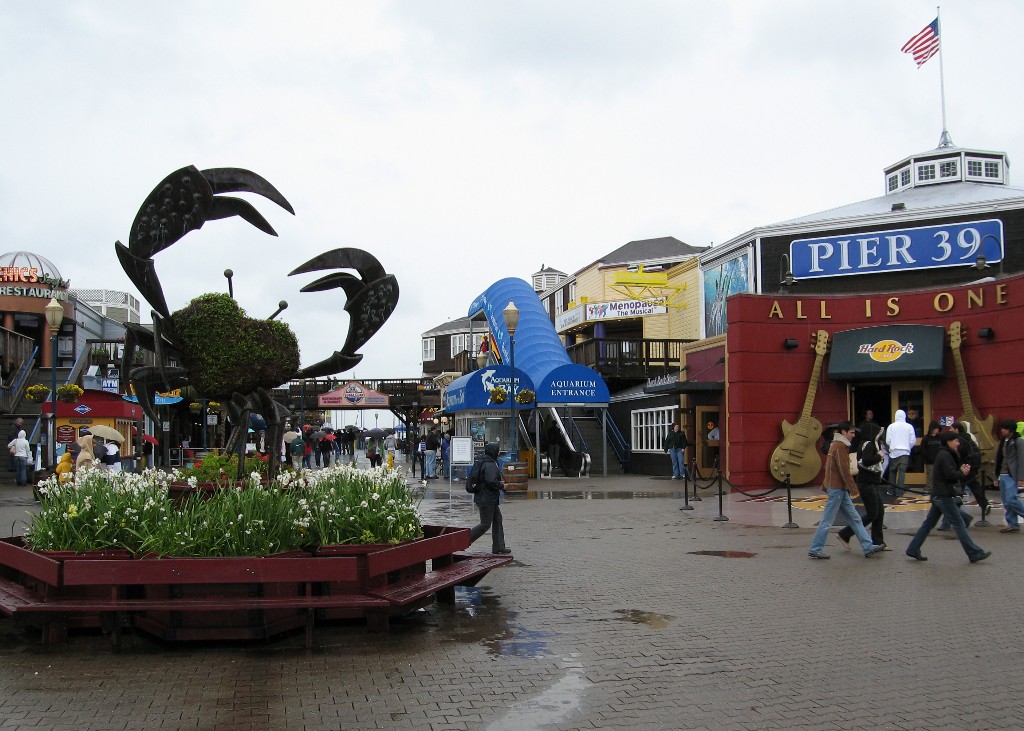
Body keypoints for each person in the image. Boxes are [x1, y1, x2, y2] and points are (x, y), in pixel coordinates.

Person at [906, 431, 991, 563]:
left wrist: (960, 471)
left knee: (928, 524)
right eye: (956, 441)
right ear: (948, 442)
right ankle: (974, 552)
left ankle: (913, 548)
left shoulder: (945, 454)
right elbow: (950, 475)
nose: (958, 443)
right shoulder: (945, 455)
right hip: (943, 495)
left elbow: (949, 473)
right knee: (959, 524)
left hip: (939, 495)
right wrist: (962, 473)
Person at [808, 422, 885, 559]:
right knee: (827, 521)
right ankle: (815, 548)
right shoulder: (840, 446)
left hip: (839, 489)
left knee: (855, 518)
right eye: (851, 432)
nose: (854, 435)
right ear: (843, 432)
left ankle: (867, 546)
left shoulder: (837, 444)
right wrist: (854, 489)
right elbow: (844, 471)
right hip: (837, 489)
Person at [838, 422, 888, 550]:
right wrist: (879, 456)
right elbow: (867, 460)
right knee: (872, 514)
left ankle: (878, 542)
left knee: (879, 512)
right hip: (867, 483)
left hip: (871, 482)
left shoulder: (865, 444)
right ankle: (845, 533)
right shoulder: (869, 445)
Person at [938, 421, 986, 530]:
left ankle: (957, 522)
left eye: (952, 428)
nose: (957, 443)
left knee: (952, 499)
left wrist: (958, 472)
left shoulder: (956, 444)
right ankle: (951, 523)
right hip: (967, 471)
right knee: (954, 498)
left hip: (959, 474)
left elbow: (955, 460)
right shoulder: (970, 438)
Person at [469, 442, 511, 554]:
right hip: (486, 499)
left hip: (488, 498)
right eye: (497, 450)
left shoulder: (484, 461)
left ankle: (499, 547)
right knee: (485, 524)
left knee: (497, 520)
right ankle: (464, 541)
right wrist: (502, 485)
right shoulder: (490, 464)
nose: (498, 453)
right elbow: (491, 481)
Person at [994, 418, 1024, 533]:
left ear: (1011, 430)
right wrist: (996, 476)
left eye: (1005, 428)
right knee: (1006, 501)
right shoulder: (1002, 441)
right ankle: (1012, 524)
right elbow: (998, 459)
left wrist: (1021, 478)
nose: (1002, 430)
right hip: (1002, 474)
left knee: (1012, 499)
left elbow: (1022, 460)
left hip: (1012, 475)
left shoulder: (1018, 441)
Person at [885, 409, 917, 498]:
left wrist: (892, 446)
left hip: (894, 452)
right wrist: (908, 447)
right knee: (902, 472)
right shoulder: (909, 426)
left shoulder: (891, 426)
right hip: (905, 452)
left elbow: (888, 441)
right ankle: (899, 491)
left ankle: (891, 490)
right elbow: (913, 440)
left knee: (892, 471)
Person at [920, 421, 943, 491]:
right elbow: (923, 449)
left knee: (940, 474)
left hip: (939, 459)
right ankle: (930, 487)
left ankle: (938, 486)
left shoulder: (940, 437)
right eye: (935, 428)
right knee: (930, 474)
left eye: (938, 428)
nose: (937, 430)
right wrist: (927, 457)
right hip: (929, 460)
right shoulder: (926, 438)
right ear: (931, 429)